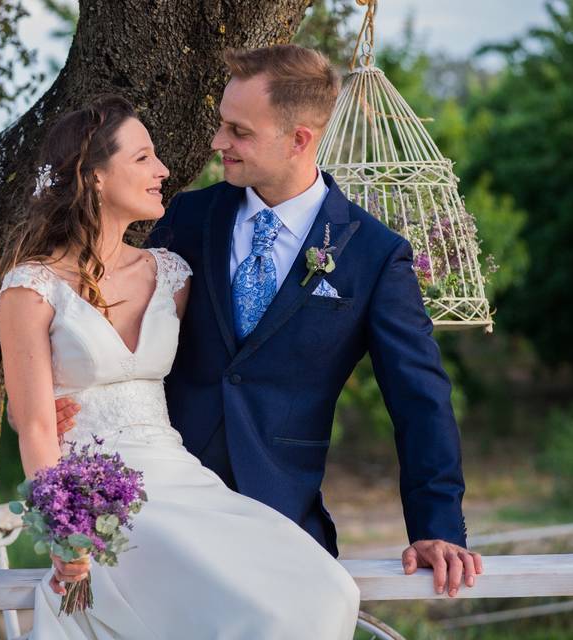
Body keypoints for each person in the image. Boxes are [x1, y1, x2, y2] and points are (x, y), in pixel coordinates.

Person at [52, 44, 484, 600]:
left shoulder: (374, 256)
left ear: (299, 139)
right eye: (221, 124)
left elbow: (420, 398)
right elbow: (111, 325)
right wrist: (71, 394)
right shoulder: (185, 218)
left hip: (281, 518)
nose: (218, 142)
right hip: (157, 513)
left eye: (239, 131)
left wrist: (436, 528)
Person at [0, 93, 360, 638]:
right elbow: (38, 426)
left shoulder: (172, 275)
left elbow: (236, 360)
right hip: (105, 501)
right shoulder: (31, 288)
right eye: (143, 158)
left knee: (329, 589)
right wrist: (65, 534)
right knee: (258, 611)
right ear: (93, 177)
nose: (163, 170)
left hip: (185, 481)